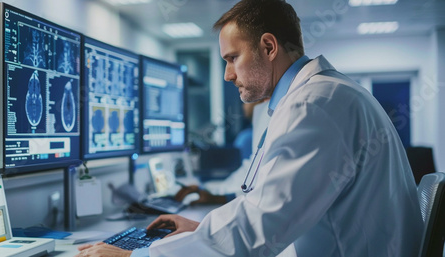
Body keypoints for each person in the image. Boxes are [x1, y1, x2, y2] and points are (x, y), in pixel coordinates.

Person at [75, 0, 423, 256]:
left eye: (232, 58)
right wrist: (199, 231)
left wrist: (137, 255)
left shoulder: (315, 103)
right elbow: (266, 206)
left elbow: (263, 225)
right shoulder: (315, 97)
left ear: (268, 47)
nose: (228, 75)